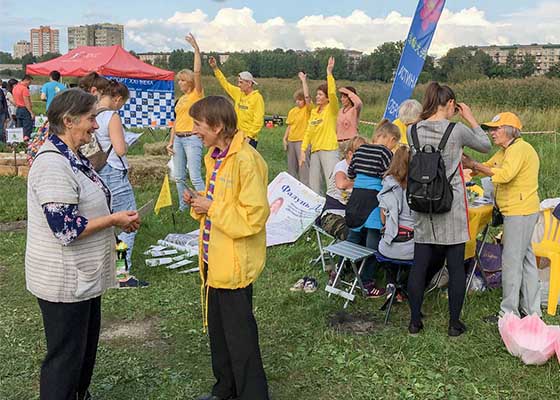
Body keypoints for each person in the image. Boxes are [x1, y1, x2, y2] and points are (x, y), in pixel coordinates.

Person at [25, 88, 140, 400]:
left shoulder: (73, 156)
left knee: (83, 350)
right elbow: (65, 228)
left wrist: (115, 222)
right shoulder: (52, 164)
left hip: (82, 276)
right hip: (62, 280)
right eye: (91, 118)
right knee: (65, 357)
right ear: (68, 121)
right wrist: (113, 220)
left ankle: (79, 393)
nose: (96, 125)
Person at [183, 96, 270, 400]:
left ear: (218, 126)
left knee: (240, 339)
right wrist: (200, 201)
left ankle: (253, 394)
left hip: (234, 265)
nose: (194, 130)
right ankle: (225, 389)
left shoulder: (246, 160)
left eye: (198, 124)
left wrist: (211, 207)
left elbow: (253, 217)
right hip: (214, 261)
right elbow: (219, 202)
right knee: (219, 334)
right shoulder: (216, 156)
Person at [406, 82, 491, 337]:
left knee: (419, 265)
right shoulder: (457, 131)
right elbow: (485, 145)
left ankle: (414, 322)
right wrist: (470, 118)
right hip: (450, 204)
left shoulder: (412, 130)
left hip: (422, 202)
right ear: (451, 103)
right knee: (455, 267)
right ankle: (454, 324)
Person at [462, 112, 541, 322]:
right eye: (490, 129)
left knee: (512, 262)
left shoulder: (519, 149)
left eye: (495, 129)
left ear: (509, 130)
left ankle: (508, 314)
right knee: (526, 259)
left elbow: (505, 175)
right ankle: (532, 311)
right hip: (519, 211)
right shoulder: (506, 150)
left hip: (520, 211)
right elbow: (488, 167)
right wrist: (469, 167)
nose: (491, 133)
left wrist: (474, 165)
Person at [95, 80, 145, 288]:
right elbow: (120, 149)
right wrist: (126, 141)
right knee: (128, 223)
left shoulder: (91, 112)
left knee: (104, 224)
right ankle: (122, 274)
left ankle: (104, 270)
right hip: (114, 172)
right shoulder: (111, 116)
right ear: (117, 99)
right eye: (122, 103)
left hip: (96, 172)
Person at [345, 120, 401, 297]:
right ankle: (366, 281)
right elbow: (389, 176)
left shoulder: (361, 150)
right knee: (373, 243)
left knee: (352, 238)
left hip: (356, 199)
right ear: (391, 139)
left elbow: (350, 174)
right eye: (394, 144)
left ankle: (340, 271)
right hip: (374, 200)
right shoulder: (386, 153)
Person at [166, 34, 205, 210]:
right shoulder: (181, 99)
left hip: (192, 138)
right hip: (179, 139)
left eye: (182, 80)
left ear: (189, 81)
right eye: (178, 80)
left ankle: (206, 205)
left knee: (195, 176)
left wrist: (196, 49)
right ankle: (184, 207)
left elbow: (197, 72)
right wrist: (171, 141)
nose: (179, 83)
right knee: (179, 176)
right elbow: (176, 121)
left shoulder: (197, 94)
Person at [300, 56, 340, 195]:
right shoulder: (314, 112)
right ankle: (317, 206)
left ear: (327, 98)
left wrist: (329, 73)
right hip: (315, 150)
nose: (317, 97)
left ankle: (333, 206)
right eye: (317, 94)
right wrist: (303, 150)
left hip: (329, 149)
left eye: (321, 95)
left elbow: (333, 93)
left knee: (331, 182)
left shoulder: (331, 109)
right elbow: (308, 132)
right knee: (314, 184)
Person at [208, 56, 264, 149]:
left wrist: (249, 137)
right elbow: (225, 84)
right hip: (236, 135)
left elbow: (258, 121)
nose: (238, 85)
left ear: (249, 83)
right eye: (238, 82)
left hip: (249, 139)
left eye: (241, 82)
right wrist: (215, 68)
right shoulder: (238, 93)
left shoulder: (257, 98)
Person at [319, 135, 366, 241]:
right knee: (351, 235)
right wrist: (362, 183)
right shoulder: (342, 166)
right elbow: (341, 184)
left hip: (351, 214)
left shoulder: (360, 169)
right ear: (350, 154)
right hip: (332, 214)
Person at [378, 145, 415, 261]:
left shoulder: (387, 185)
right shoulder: (417, 189)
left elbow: (383, 220)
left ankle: (391, 274)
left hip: (386, 247)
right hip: (410, 248)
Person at [283, 72, 312, 186]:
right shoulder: (292, 111)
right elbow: (289, 125)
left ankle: (305, 186)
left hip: (302, 141)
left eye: (300, 100)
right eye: (296, 100)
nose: (298, 102)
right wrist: (285, 138)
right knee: (291, 167)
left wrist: (303, 81)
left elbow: (307, 97)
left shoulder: (307, 110)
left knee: (303, 166)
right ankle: (292, 186)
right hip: (291, 140)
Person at [336, 86, 362, 156]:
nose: (342, 99)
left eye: (344, 97)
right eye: (341, 97)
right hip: (339, 142)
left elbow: (359, 103)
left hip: (350, 141)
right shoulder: (340, 111)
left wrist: (348, 92)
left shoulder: (354, 109)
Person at [13, 74, 34, 139]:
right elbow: (26, 102)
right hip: (25, 109)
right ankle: (26, 141)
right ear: (26, 80)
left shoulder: (15, 87)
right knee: (27, 127)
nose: (30, 84)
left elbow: (14, 100)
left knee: (19, 128)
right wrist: (31, 112)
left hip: (18, 109)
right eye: (29, 82)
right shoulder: (24, 89)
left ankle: (19, 141)